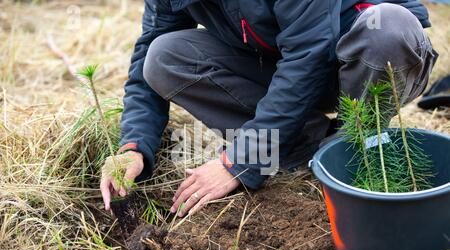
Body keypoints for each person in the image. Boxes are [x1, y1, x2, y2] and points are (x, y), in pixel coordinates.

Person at [100, 0, 437, 217]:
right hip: (283, 65)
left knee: (388, 27)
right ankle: (311, 149)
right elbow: (146, 62)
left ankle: (356, 143)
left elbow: (310, 55)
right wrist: (133, 146)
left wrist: (240, 161)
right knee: (164, 56)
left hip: (367, 60)